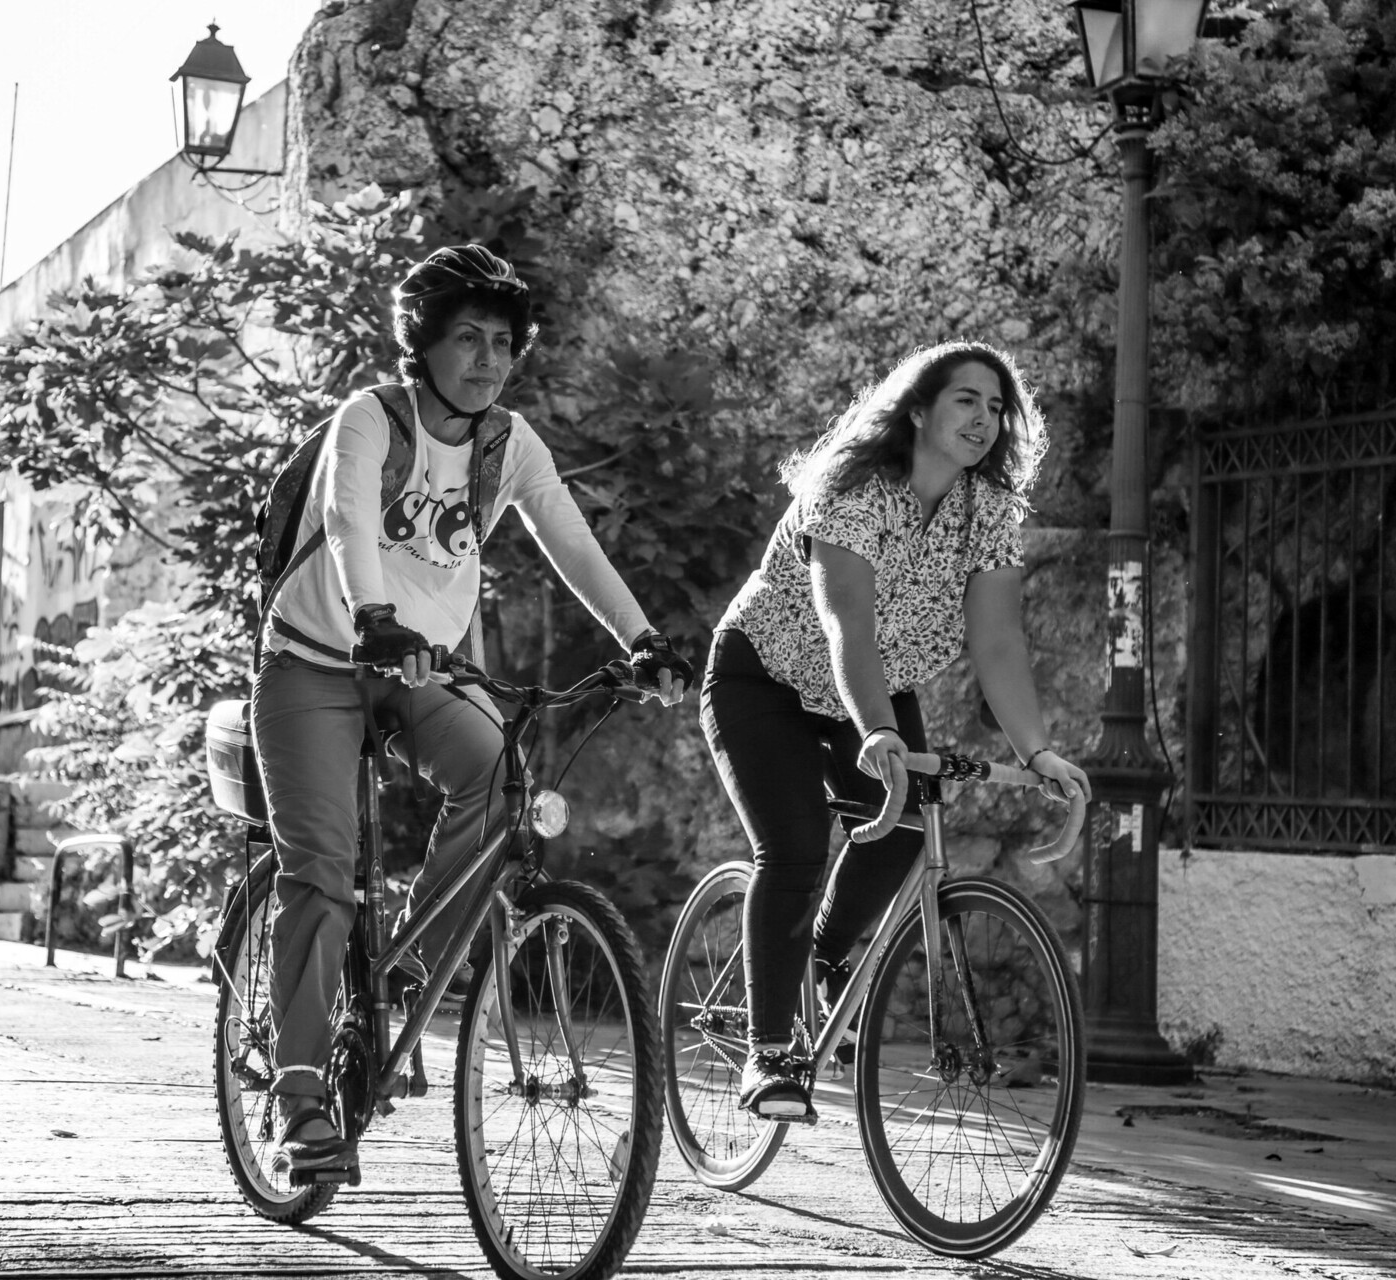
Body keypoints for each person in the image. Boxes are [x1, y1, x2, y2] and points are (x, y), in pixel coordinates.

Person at [252, 244, 694, 1176]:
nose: (489, 359)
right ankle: (298, 1099)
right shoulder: (372, 418)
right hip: (314, 663)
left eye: (503, 342)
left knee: (500, 779)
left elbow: (572, 542)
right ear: (423, 344)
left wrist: (642, 640)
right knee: (321, 871)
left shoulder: (509, 443)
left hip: (422, 669)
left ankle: (409, 962)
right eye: (467, 338)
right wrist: (374, 619)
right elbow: (347, 523)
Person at [698, 340, 1092, 1121]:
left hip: (876, 686)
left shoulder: (988, 511)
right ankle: (768, 1053)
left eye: (996, 407)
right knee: (796, 847)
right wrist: (878, 730)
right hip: (765, 677)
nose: (984, 419)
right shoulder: (853, 486)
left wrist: (1038, 751)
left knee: (910, 824)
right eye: (966, 400)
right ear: (917, 410)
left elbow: (998, 641)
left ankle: (818, 955)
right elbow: (847, 622)